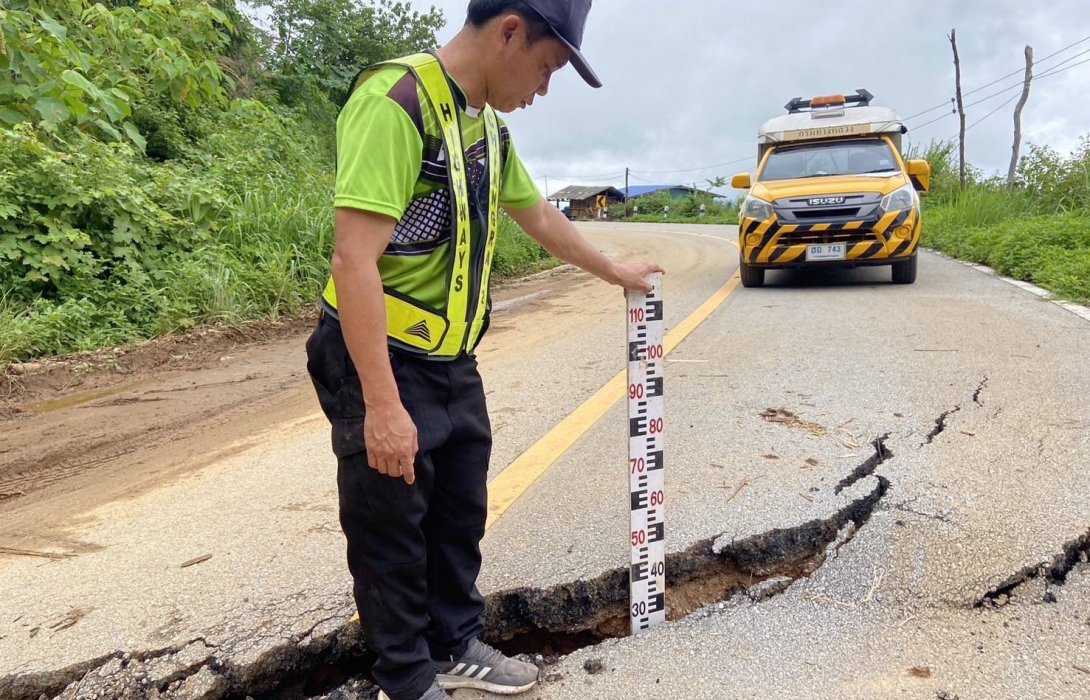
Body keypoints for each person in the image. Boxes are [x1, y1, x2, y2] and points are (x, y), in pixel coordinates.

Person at [305, 2, 664, 699]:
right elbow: (354, 263)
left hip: (452, 361)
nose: (544, 87)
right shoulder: (396, 103)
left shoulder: (487, 131)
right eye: (547, 66)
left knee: (458, 513)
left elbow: (538, 214)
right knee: (392, 524)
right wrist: (380, 403)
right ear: (508, 32)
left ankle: (451, 645)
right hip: (379, 355)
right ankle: (406, 678)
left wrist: (613, 271)